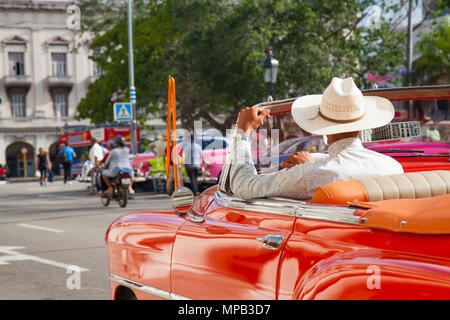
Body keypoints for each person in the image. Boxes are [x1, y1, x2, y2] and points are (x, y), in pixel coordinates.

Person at [230, 77, 404, 201]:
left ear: (324, 129)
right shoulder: (393, 167)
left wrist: (243, 132)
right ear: (362, 123)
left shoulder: (310, 175)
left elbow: (243, 185)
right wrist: (314, 162)